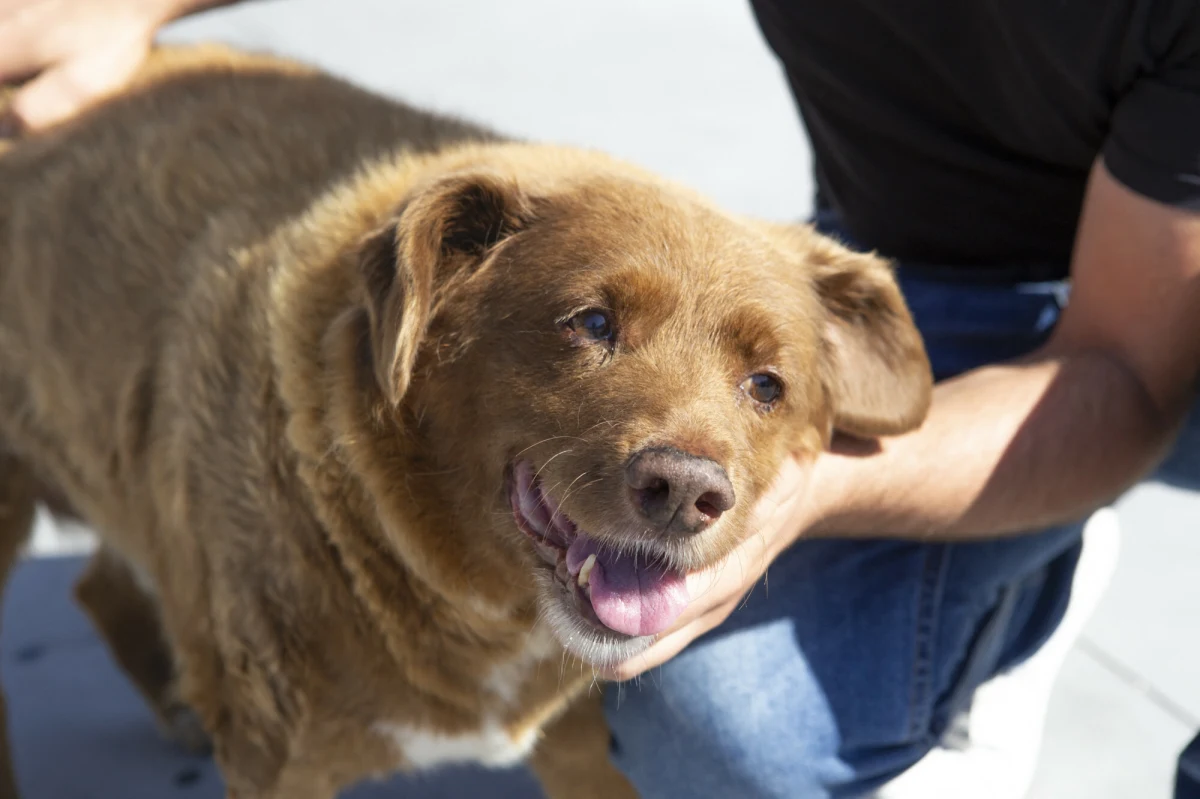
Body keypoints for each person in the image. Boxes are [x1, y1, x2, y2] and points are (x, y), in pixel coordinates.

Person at [4, 1, 1200, 797]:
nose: (684, 466)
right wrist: (129, 6)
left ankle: (1021, 547)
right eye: (592, 329)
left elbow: (1129, 374)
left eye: (766, 385)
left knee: (731, 724)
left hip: (1140, 326)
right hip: (947, 247)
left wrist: (808, 489)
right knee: (706, 715)